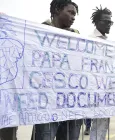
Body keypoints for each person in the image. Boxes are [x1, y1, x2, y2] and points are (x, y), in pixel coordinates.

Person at [31, 0, 82, 140]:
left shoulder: (77, 35)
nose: (73, 17)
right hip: (46, 102)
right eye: (70, 12)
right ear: (58, 9)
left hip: (70, 101)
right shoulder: (38, 31)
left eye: (75, 15)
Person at [88, 5, 113, 140]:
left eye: (111, 22)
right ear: (97, 22)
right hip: (91, 89)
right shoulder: (89, 40)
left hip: (104, 91)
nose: (109, 24)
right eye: (106, 21)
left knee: (101, 125)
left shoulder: (109, 43)